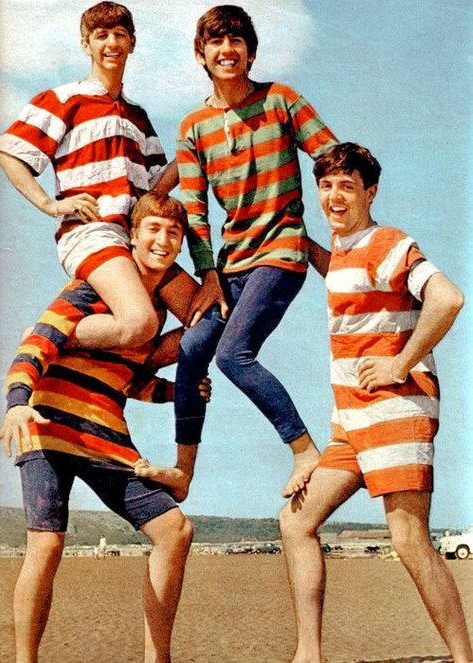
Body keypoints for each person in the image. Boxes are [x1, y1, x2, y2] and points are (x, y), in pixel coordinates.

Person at [279, 143, 472, 663]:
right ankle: (308, 654)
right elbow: (346, 277)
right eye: (326, 185)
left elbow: (448, 297)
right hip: (350, 422)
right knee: (295, 522)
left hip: (397, 409)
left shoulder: (387, 242)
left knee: (409, 539)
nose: (334, 195)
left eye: (347, 185)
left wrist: (400, 362)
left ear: (370, 191)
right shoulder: (346, 252)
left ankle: (462, 657)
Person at [0, 193, 209, 663]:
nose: (162, 240)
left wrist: (174, 392)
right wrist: (16, 404)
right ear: (132, 236)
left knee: (174, 530)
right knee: (47, 544)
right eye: (152, 229)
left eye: (172, 233)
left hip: (105, 437)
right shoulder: (92, 287)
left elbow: (129, 382)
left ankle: (160, 658)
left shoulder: (150, 317)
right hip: (46, 426)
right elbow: (37, 342)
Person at [175, 5, 338, 496]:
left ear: (250, 51)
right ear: (201, 53)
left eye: (236, 41)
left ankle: (304, 449)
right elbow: (195, 211)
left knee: (232, 356)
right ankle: (184, 470)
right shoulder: (194, 127)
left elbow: (331, 156)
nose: (227, 50)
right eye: (217, 42)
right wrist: (207, 275)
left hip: (280, 253)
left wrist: (341, 237)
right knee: (190, 351)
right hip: (231, 265)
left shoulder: (282, 100)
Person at [0, 1, 179, 354]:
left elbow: (156, 188)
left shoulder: (138, 117)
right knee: (141, 322)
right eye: (101, 35)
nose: (111, 43)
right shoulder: (64, 99)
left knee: (208, 318)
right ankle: (40, 338)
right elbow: (9, 153)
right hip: (91, 233)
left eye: (119, 35)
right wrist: (50, 204)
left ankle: (134, 377)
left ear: (132, 43)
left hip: (132, 240)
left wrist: (195, 146)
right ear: (87, 44)